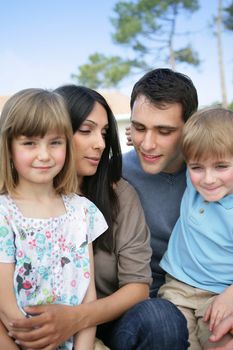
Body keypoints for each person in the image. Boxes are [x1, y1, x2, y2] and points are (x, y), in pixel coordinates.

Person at [5, 85, 164, 350]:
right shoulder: (10, 207)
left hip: (102, 320)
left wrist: (74, 320)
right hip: (29, 329)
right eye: (86, 130)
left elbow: (137, 287)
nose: (100, 143)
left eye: (104, 133)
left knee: (160, 319)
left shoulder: (104, 201)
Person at [0, 88, 108, 350]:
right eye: (30, 143)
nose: (44, 155)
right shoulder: (5, 214)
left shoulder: (83, 212)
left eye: (55, 142)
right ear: (9, 148)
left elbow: (88, 296)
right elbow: (4, 304)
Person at [159, 107, 233, 349]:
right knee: (179, 341)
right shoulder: (194, 185)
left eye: (221, 167)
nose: (208, 179)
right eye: (197, 167)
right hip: (178, 287)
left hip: (220, 295)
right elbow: (164, 149)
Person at [123, 68, 198, 297]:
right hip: (140, 298)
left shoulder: (214, 175)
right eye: (139, 128)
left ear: (190, 128)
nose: (147, 144)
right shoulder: (115, 172)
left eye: (164, 131)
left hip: (207, 290)